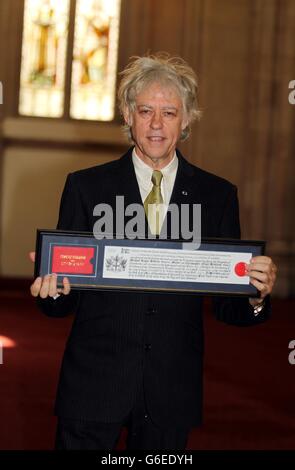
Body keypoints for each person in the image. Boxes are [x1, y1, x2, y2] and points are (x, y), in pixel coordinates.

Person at [30, 53, 277, 450]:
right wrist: (53, 292)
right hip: (94, 386)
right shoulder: (85, 188)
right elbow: (63, 297)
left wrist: (256, 295)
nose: (157, 125)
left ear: (188, 119)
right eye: (146, 111)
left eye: (169, 112)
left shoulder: (217, 197)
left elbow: (230, 307)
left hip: (170, 390)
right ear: (128, 115)